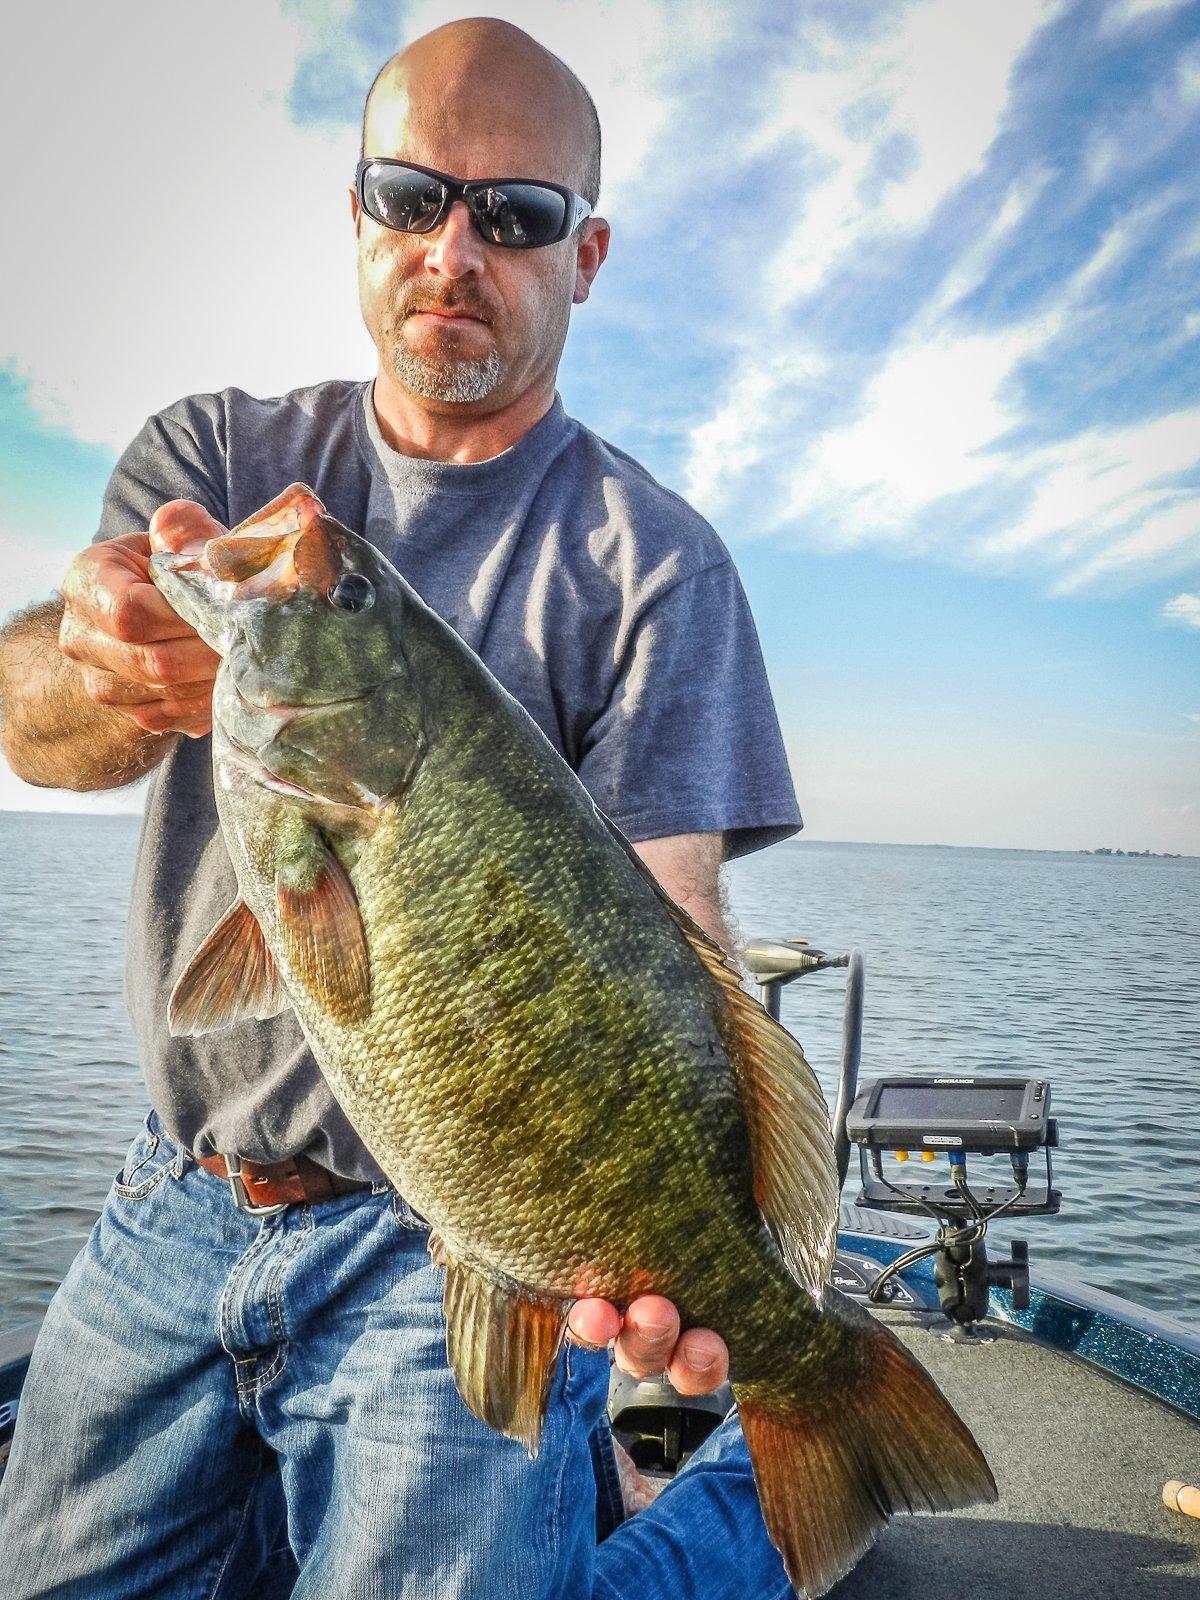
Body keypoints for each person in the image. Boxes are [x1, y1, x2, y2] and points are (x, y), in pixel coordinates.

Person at [0, 19, 800, 1599]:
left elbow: (674, 921)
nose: (455, 249)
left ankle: (754, 1512)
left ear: (588, 253)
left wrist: (719, 1262)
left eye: (513, 216)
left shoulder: (655, 563)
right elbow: (39, 732)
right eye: (412, 195)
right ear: (357, 218)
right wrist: (102, 666)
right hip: (180, 1190)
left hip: (462, 1242)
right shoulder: (218, 456)